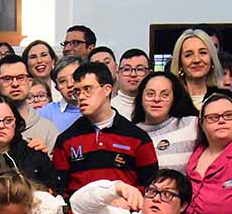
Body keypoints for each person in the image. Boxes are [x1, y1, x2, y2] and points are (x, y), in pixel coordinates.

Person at [53, 62, 156, 203]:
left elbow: (151, 187)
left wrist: (130, 202)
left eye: (87, 89)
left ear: (107, 89)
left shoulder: (137, 138)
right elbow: (60, 191)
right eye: (77, 92)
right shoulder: (66, 140)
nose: (81, 97)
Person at [132, 71, 232, 171]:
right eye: (150, 94)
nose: (157, 99)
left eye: (165, 94)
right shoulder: (132, 132)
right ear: (141, 97)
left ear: (174, 98)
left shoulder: (190, 124)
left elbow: (229, 128)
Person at [0, 55, 59, 154]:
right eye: (7, 79)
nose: (15, 84)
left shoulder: (47, 128)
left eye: (21, 78)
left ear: (30, 82)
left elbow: (57, 166)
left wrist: (44, 159)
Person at [168, 29, 222, 110]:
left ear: (212, 59)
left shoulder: (225, 99)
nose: (196, 60)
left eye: (203, 53)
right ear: (180, 63)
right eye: (188, 55)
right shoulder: (170, 101)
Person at [37, 56, 84, 132]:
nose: (69, 84)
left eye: (74, 78)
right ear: (57, 88)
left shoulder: (99, 108)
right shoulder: (45, 113)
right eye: (62, 81)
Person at [114, 48, 149, 117]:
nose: (133, 74)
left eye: (139, 69)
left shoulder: (156, 107)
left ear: (149, 74)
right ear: (117, 74)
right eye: (126, 69)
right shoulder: (109, 109)